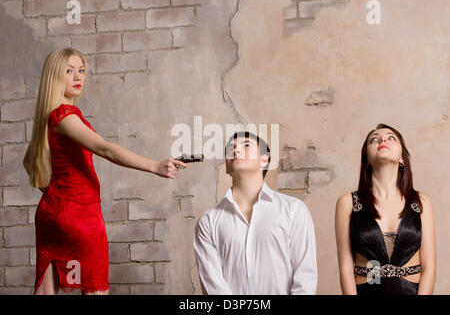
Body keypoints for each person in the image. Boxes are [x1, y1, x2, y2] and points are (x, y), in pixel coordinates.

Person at [23, 48, 188, 295]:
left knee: (46, 290)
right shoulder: (65, 115)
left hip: (51, 213)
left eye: (81, 70)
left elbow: (29, 161)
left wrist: (57, 196)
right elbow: (105, 149)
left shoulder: (50, 118)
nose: (78, 77)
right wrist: (154, 166)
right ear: (54, 76)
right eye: (69, 71)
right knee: (95, 289)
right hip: (80, 214)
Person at [193, 131, 317, 294]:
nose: (236, 151)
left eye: (246, 146)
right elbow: (213, 286)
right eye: (231, 149)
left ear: (264, 159)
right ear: (227, 167)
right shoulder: (208, 221)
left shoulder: (293, 210)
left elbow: (305, 275)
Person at [335, 123, 436, 295]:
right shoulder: (348, 203)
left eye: (391, 137)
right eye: (373, 139)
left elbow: (429, 269)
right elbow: (346, 269)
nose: (382, 139)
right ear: (366, 159)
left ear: (402, 157)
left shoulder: (421, 202)